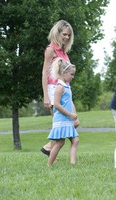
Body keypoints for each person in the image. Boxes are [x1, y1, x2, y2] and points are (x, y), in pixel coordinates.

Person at [41, 20, 79, 157]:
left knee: (75, 122)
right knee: (59, 124)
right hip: (54, 89)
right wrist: (46, 95)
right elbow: (45, 72)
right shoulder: (50, 50)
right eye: (64, 34)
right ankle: (51, 154)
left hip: (65, 90)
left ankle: (48, 148)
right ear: (57, 33)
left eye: (69, 35)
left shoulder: (63, 52)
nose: (67, 37)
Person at [47, 58, 79, 167]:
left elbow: (69, 102)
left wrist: (73, 115)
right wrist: (70, 114)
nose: (72, 77)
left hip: (67, 120)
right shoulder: (59, 87)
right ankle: (49, 164)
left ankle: (73, 164)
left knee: (75, 140)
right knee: (60, 143)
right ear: (64, 73)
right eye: (71, 74)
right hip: (61, 119)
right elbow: (56, 104)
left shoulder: (66, 86)